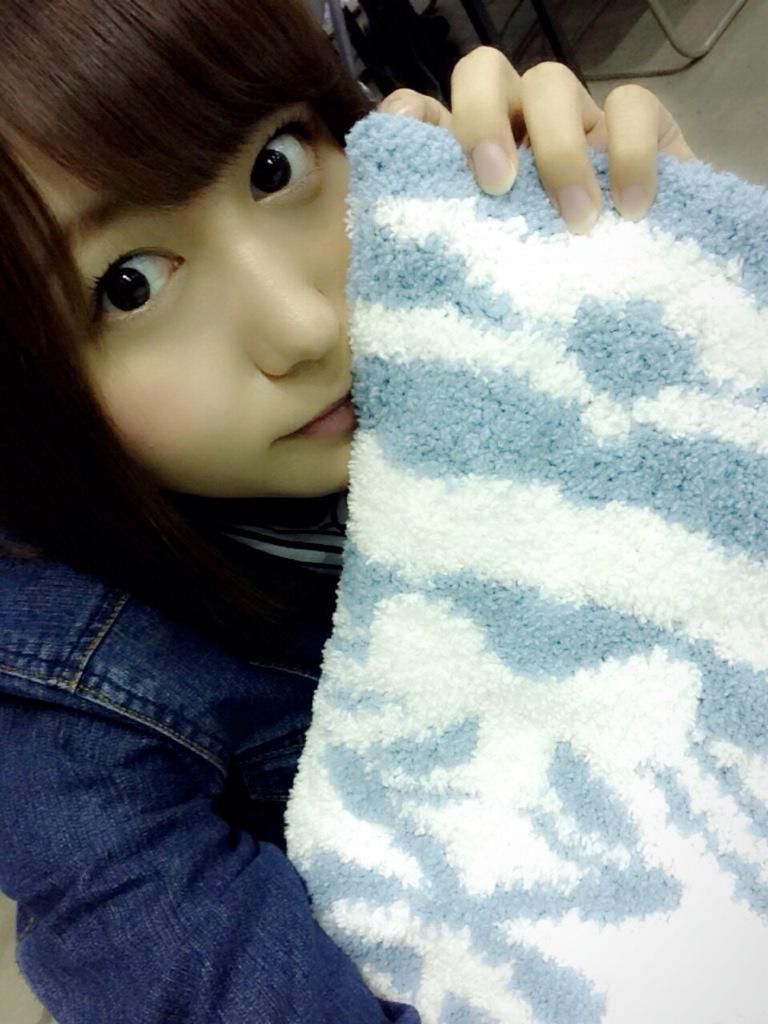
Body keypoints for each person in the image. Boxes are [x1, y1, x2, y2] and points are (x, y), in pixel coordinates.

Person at [0, 2, 694, 1021]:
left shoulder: (458, 314)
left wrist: (671, 302)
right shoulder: (75, 740)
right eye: (130, 286)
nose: (304, 325)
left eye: (275, 166)